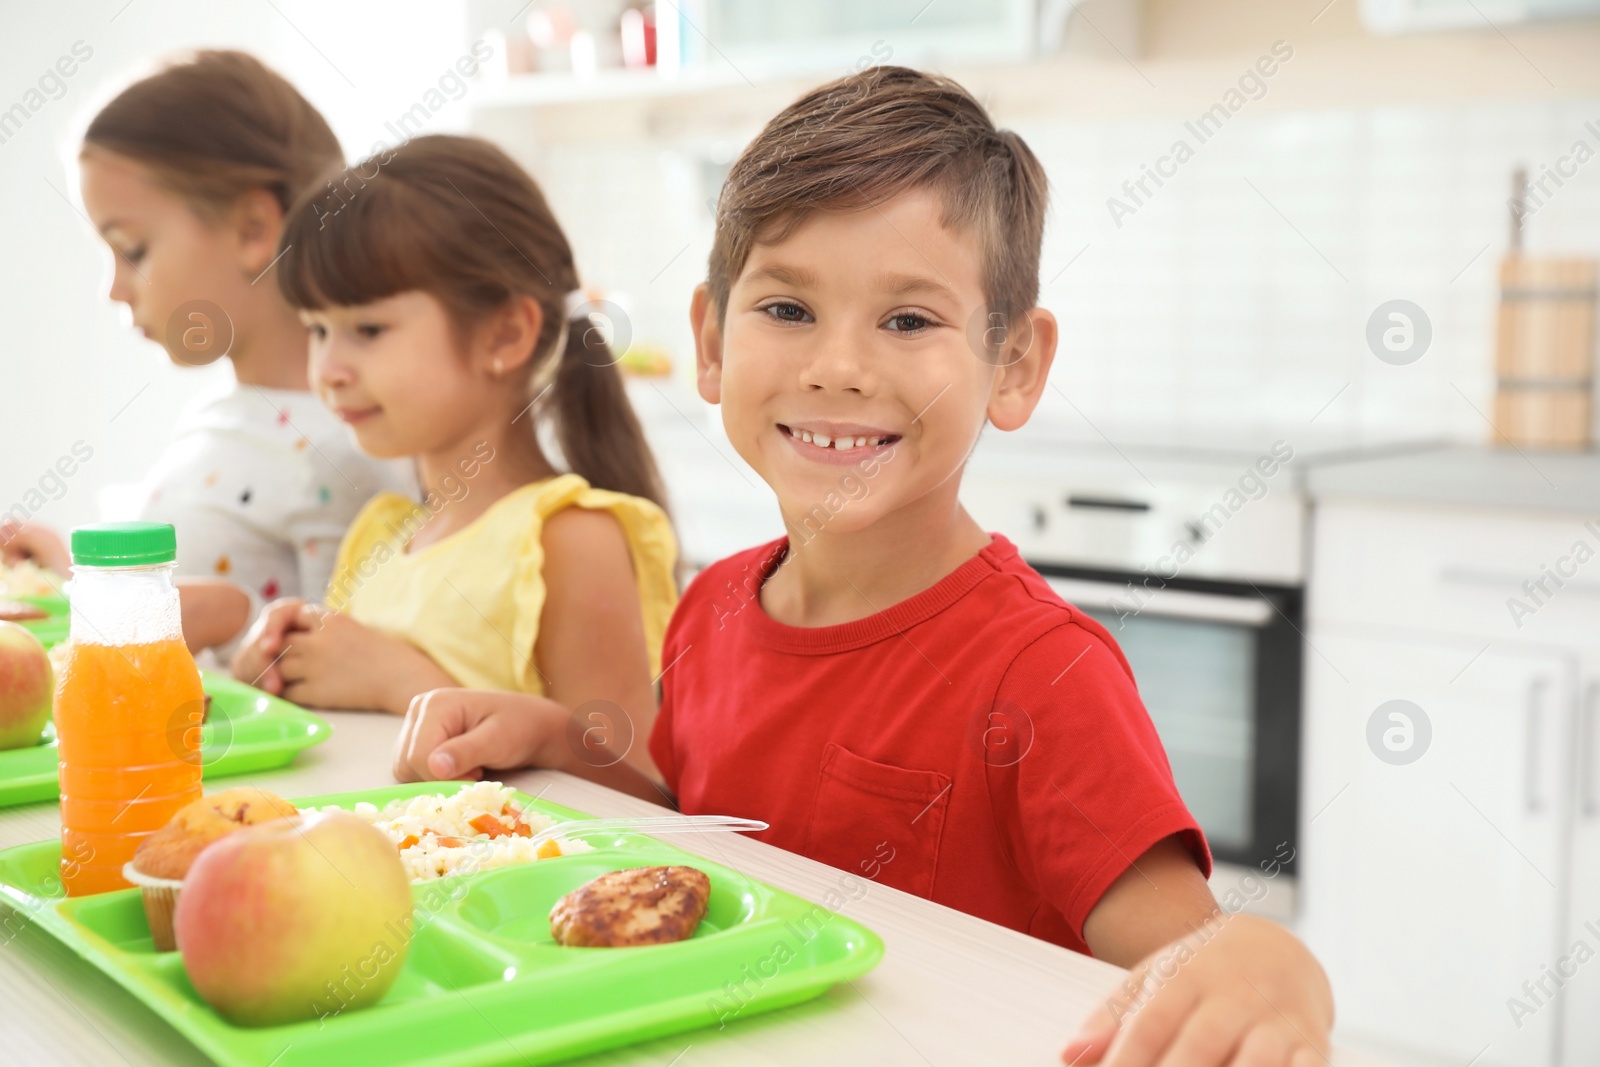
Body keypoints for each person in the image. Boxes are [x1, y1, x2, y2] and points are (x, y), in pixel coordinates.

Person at [389, 68, 1333, 1064]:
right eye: (788, 309)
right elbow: (700, 837)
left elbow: (1190, 956)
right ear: (709, 340)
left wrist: (1270, 967)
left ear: (1012, 363)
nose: (836, 365)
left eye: (908, 319)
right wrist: (559, 741)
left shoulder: (1043, 675)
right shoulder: (713, 603)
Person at [229, 134, 677, 735]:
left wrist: (401, 681)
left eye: (366, 328)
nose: (328, 370)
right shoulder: (382, 535)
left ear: (504, 335)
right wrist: (281, 672)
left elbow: (630, 789)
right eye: (316, 329)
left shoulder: (568, 540)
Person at [0, 51, 414, 657]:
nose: (112, 289)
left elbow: (352, 666)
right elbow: (182, 601)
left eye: (132, 249)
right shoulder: (218, 416)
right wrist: (67, 579)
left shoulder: (346, 450)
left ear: (252, 230)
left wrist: (237, 617)